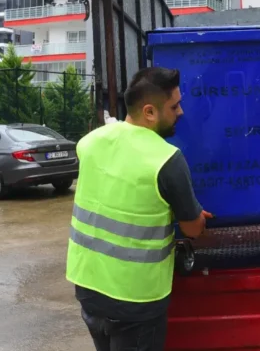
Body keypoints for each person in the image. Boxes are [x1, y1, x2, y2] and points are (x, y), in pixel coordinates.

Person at [66, 66, 212, 351]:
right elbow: (192, 228)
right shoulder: (167, 160)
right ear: (149, 112)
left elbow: (117, 192)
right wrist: (195, 219)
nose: (180, 112)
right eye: (174, 105)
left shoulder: (89, 143)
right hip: (136, 301)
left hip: (88, 291)